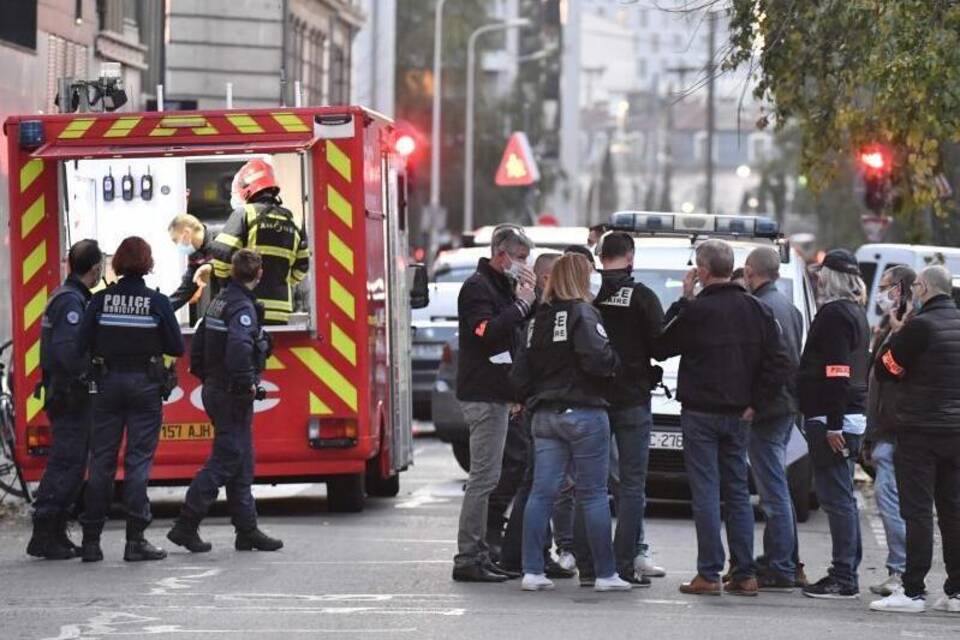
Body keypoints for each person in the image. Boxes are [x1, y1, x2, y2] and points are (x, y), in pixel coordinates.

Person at [655, 239, 792, 597]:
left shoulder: (697, 310)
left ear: (701, 272)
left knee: (705, 493)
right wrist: (757, 403)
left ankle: (709, 573)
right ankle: (745, 573)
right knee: (736, 493)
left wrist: (684, 300)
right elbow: (780, 362)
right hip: (739, 414)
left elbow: (660, 346)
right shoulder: (757, 309)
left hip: (701, 413)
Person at [510, 253, 630, 592]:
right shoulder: (584, 312)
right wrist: (614, 363)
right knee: (592, 495)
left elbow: (519, 374)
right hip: (584, 412)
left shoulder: (536, 321)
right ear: (580, 278)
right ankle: (605, 573)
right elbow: (598, 358)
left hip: (544, 415)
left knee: (541, 492)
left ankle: (532, 570)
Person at [167, 249, 283, 554]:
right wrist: (246, 383)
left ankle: (247, 530)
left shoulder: (218, 301)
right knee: (225, 460)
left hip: (217, 388)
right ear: (258, 275)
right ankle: (186, 525)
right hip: (232, 392)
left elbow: (201, 342)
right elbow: (239, 347)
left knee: (241, 460)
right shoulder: (241, 307)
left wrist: (209, 378)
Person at [78, 237, 184, 562]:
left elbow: (83, 341)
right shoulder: (157, 302)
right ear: (148, 263)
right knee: (138, 461)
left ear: (118, 263)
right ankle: (135, 541)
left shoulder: (99, 300)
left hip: (107, 384)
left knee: (102, 461)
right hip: (144, 386)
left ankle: (91, 542)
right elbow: (176, 347)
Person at [870, 265, 960, 614]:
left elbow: (886, 368)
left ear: (923, 288)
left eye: (918, 286)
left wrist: (897, 332)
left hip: (919, 430)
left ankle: (913, 591)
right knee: (953, 511)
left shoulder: (919, 327)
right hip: (956, 431)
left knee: (918, 511)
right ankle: (955, 592)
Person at [580, 231, 665, 586]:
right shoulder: (642, 296)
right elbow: (661, 345)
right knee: (632, 486)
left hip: (592, 398)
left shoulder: (589, 295)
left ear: (600, 257)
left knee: (591, 486)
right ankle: (624, 564)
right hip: (632, 398)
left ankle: (589, 566)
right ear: (630, 256)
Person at [453, 225, 536, 582]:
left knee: (491, 476)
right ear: (501, 254)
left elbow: (513, 334)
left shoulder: (500, 286)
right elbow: (485, 333)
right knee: (483, 479)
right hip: (483, 394)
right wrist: (521, 305)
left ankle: (481, 552)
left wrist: (523, 303)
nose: (523, 265)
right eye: (519, 258)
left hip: (498, 393)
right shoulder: (477, 287)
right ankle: (468, 556)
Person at [797, 249, 870, 599]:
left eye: (821, 273)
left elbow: (837, 371)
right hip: (848, 415)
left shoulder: (834, 315)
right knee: (843, 499)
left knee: (836, 499)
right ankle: (848, 570)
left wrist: (833, 425)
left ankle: (843, 576)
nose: (818, 278)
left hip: (832, 417)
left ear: (830, 277)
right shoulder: (856, 312)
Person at [26, 240, 104, 560]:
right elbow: (68, 352)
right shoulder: (71, 302)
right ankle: (45, 533)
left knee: (70, 464)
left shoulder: (71, 297)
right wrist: (89, 373)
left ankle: (54, 532)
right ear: (96, 268)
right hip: (70, 396)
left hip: (68, 394)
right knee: (66, 464)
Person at [742, 247, 805, 591]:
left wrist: (755, 402)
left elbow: (773, 363)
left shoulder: (761, 307)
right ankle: (784, 559)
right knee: (777, 487)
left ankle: (780, 564)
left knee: (772, 492)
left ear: (751, 272)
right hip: (785, 406)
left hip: (769, 409)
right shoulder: (789, 307)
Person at [864, 265, 915, 598]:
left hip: (895, 433)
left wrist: (895, 336)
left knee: (892, 501)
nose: (880, 293)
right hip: (886, 430)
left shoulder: (910, 330)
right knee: (895, 501)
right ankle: (903, 571)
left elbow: (895, 374)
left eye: (885, 287)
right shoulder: (891, 328)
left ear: (900, 289)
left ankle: (902, 572)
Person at [210, 159, 310, 325]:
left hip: (246, 306)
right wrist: (282, 282)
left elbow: (221, 254)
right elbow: (302, 266)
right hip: (281, 310)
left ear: (246, 190)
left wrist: (230, 284)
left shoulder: (245, 213)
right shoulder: (294, 220)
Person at [167, 213, 214, 312]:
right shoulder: (195, 251)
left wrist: (211, 266)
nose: (177, 245)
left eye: (175, 240)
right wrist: (161, 309)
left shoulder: (221, 241)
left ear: (186, 233)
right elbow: (186, 289)